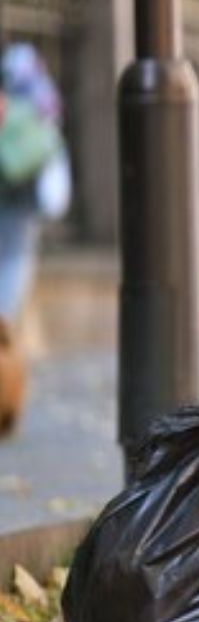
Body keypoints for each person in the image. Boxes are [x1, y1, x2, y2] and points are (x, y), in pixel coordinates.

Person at [0, 43, 69, 437]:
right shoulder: (38, 92)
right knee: (9, 294)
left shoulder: (16, 90)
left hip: (15, 202)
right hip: (20, 204)